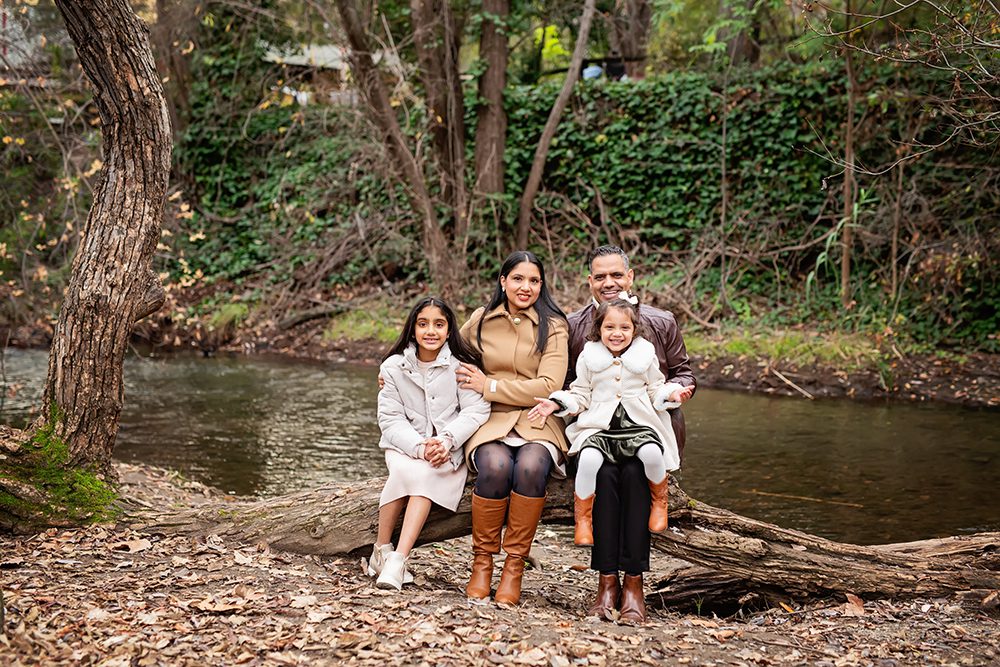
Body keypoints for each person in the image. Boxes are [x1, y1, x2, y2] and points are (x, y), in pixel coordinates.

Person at [566, 245, 696, 624]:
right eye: (600, 277)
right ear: (589, 281)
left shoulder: (660, 321)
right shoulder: (575, 326)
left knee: (638, 479)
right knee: (603, 478)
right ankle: (607, 582)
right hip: (598, 433)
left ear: (630, 277)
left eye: (616, 275)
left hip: (646, 431)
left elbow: (683, 374)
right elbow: (570, 386)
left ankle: (634, 585)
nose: (609, 283)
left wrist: (675, 393)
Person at [528, 296, 692, 546]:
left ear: (635, 330)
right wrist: (558, 402)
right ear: (598, 329)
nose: (617, 334)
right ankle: (583, 518)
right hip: (600, 425)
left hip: (638, 424)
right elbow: (580, 394)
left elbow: (655, 388)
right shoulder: (589, 358)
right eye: (610, 327)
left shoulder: (644, 355)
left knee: (651, 453)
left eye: (625, 328)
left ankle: (660, 501)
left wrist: (671, 394)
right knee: (589, 460)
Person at [455, 251, 569, 606]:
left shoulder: (554, 326)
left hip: (538, 420)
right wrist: (396, 369)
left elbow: (549, 384)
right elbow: (445, 355)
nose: (526, 287)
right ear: (503, 281)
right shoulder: (480, 320)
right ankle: (482, 563)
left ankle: (514, 567)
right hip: (490, 420)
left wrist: (489, 386)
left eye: (534, 281)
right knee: (495, 466)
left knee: (532, 467)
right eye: (518, 279)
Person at [367, 296, 491, 591]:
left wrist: (446, 441)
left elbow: (477, 410)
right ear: (412, 330)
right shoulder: (393, 367)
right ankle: (383, 550)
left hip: (447, 449)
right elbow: (390, 419)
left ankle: (396, 558)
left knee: (426, 474)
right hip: (404, 447)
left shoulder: (462, 366)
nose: (431, 331)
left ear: (450, 331)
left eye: (439, 324)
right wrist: (420, 447)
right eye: (423, 324)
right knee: (405, 471)